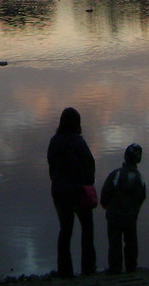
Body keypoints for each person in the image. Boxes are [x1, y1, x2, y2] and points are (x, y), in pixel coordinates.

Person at [46, 107, 96, 277]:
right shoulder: (78, 142)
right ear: (77, 123)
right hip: (79, 190)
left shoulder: (54, 141)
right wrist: (88, 183)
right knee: (87, 228)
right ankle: (88, 268)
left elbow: (52, 166)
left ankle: (65, 270)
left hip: (59, 191)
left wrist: (57, 181)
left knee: (65, 230)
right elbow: (90, 164)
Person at [99, 143, 146, 274]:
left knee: (115, 243)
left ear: (125, 157)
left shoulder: (116, 174)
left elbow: (105, 193)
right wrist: (135, 209)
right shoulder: (139, 177)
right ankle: (131, 267)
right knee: (131, 242)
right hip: (131, 216)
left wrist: (106, 205)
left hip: (114, 215)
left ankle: (115, 268)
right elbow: (142, 196)